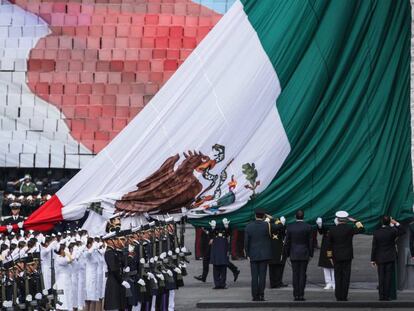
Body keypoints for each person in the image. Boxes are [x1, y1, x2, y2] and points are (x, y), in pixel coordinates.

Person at [245, 208, 283, 301]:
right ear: (263, 216)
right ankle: (261, 295)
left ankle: (254, 296)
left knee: (254, 277)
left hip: (253, 254)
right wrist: (273, 218)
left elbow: (246, 242)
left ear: (255, 216)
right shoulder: (268, 225)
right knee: (262, 276)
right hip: (264, 254)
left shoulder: (248, 226)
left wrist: (248, 254)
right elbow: (280, 225)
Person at [326, 211, 364, 301]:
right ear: (346, 219)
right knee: (346, 276)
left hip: (336, 256)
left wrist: (329, 257)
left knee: (337, 276)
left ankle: (338, 296)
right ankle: (344, 296)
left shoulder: (332, 229)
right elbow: (362, 229)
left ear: (337, 219)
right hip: (347, 255)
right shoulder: (349, 228)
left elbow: (328, 245)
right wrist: (355, 221)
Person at [371, 216, 405, 301]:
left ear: (382, 222)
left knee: (381, 277)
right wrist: (395, 222)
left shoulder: (376, 232)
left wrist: (372, 259)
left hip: (379, 257)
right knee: (388, 277)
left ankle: (381, 296)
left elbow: (374, 247)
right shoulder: (392, 231)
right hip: (390, 257)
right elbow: (403, 231)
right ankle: (386, 296)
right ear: (389, 222)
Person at [285, 209, 313, 301]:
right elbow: (310, 242)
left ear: (295, 217)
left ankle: (295, 295)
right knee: (302, 274)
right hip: (304, 253)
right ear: (303, 216)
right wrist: (311, 253)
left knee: (295, 274)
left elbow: (287, 242)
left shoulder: (290, 227)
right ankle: (301, 294)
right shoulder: (308, 227)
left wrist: (287, 253)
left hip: (294, 253)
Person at [209, 218, 231, 289]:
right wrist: (212, 228)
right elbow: (210, 235)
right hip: (216, 243)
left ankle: (222, 283)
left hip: (223, 243)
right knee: (216, 265)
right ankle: (217, 284)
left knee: (223, 265)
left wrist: (226, 227)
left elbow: (229, 234)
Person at [268, 216, 288, 288]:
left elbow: (284, 233)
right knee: (274, 267)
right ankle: (274, 283)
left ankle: (278, 282)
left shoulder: (273, 224)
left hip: (279, 249)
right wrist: (281, 223)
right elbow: (279, 228)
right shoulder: (271, 225)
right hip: (274, 249)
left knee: (279, 267)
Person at [316, 217, 335, 290]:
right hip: (325, 246)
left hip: (334, 246)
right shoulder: (326, 226)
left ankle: (334, 282)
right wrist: (320, 225)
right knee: (325, 266)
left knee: (333, 266)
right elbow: (321, 232)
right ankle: (328, 282)